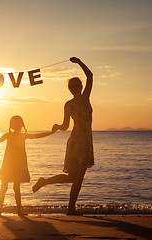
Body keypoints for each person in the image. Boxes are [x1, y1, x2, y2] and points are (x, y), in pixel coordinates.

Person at [32, 57, 94, 216]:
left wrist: (80, 62)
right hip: (76, 142)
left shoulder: (86, 97)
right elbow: (65, 126)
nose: (75, 88)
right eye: (72, 86)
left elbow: (90, 76)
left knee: (75, 178)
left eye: (77, 85)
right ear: (70, 89)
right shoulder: (69, 104)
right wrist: (57, 127)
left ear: (81, 86)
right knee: (75, 177)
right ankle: (69, 207)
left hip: (86, 142)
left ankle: (67, 205)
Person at [0, 115, 56, 216]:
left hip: (16, 164)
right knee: (8, 187)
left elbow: (38, 135)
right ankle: (2, 211)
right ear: (17, 125)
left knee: (12, 187)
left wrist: (51, 132)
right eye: (17, 124)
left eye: (19, 124)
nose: (18, 127)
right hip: (10, 164)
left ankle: (12, 211)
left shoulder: (20, 136)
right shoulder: (12, 135)